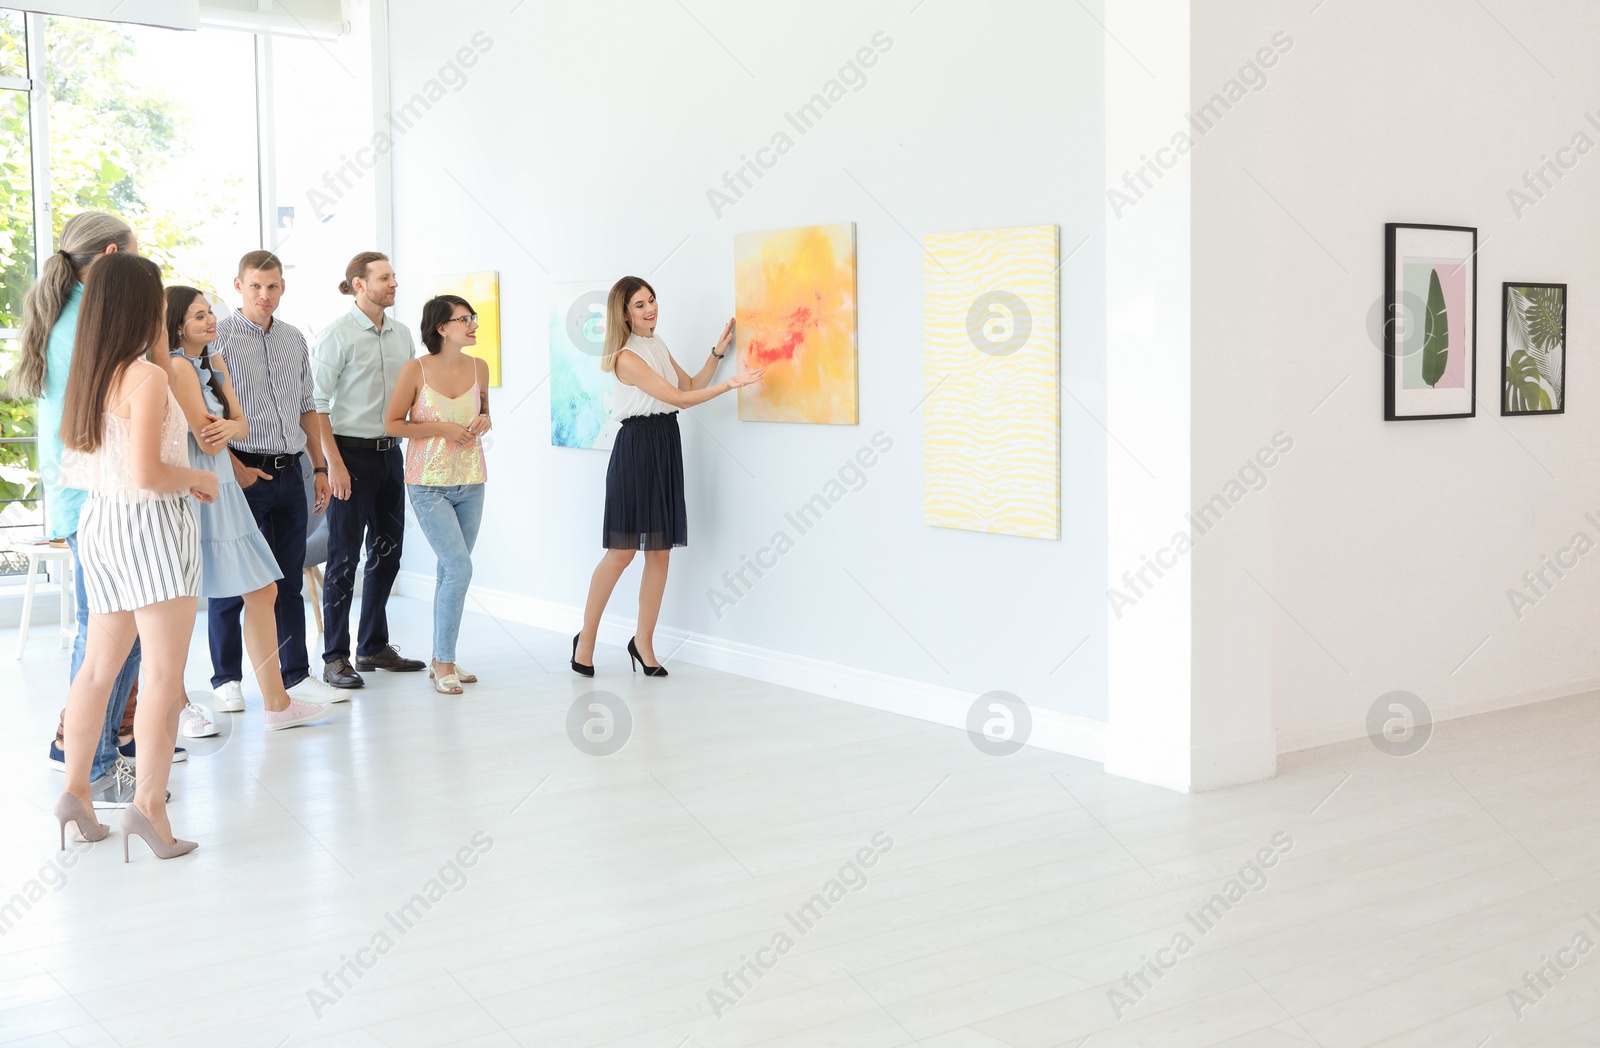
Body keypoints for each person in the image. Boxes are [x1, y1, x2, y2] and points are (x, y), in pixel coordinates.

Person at [54, 252, 216, 860]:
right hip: (151, 527)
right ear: (140, 305)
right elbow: (150, 473)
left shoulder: (91, 374)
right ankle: (149, 806)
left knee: (98, 668)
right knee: (161, 676)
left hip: (101, 523)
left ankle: (76, 793)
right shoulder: (146, 376)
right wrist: (200, 481)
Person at [15, 211, 178, 802]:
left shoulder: (60, 317)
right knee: (113, 640)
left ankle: (94, 757)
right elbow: (139, 406)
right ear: (111, 256)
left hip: (84, 493)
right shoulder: (93, 323)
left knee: (108, 636)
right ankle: (93, 758)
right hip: (106, 497)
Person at [571, 276, 762, 676]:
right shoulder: (625, 356)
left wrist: (717, 354)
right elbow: (678, 398)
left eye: (651, 300)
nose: (649, 309)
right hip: (637, 448)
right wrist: (732, 384)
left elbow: (689, 384)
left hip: (664, 443)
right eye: (639, 304)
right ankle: (585, 640)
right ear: (623, 313)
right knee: (621, 553)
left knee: (659, 551)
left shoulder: (656, 344)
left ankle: (643, 643)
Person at [167, 286, 330, 730]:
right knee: (179, 606)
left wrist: (230, 421)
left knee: (265, 589)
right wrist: (230, 425)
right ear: (178, 324)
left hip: (224, 491)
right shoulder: (179, 367)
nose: (209, 321)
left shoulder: (210, 364)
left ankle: (277, 705)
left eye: (209, 313)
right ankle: (181, 706)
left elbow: (239, 424)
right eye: (198, 316)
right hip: (199, 491)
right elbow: (209, 435)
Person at [210, 251, 345, 711]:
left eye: (272, 286)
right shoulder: (218, 339)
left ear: (283, 287)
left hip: (292, 472)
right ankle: (225, 679)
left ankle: (295, 676)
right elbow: (205, 412)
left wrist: (321, 467)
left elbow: (308, 405)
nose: (264, 295)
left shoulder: (293, 340)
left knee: (287, 579)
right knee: (234, 579)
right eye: (255, 286)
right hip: (243, 470)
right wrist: (233, 466)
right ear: (238, 285)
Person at [312, 251, 426, 688]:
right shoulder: (337, 335)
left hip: (389, 455)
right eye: (384, 277)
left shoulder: (400, 335)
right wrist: (333, 465)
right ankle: (335, 656)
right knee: (343, 558)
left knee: (388, 552)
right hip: (349, 455)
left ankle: (373, 645)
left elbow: (411, 396)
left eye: (394, 276)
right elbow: (317, 405)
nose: (393, 283)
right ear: (359, 284)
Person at [382, 295, 490, 694]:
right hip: (427, 483)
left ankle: (442, 657)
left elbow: (486, 412)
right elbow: (392, 424)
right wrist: (441, 429)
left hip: (472, 479)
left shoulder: (480, 366)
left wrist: (484, 419)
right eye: (465, 319)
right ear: (442, 328)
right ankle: (443, 661)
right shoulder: (416, 370)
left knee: (451, 571)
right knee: (460, 569)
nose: (473, 324)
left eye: (472, 317)